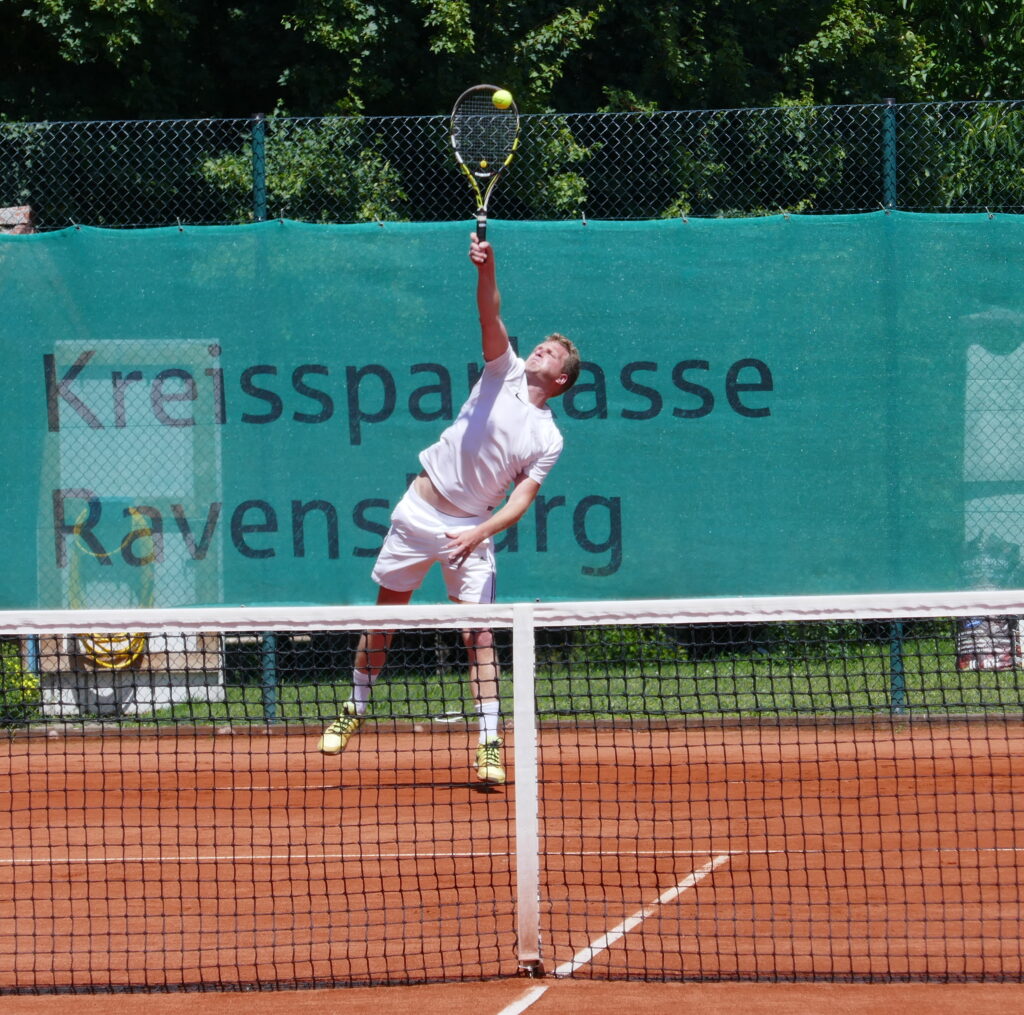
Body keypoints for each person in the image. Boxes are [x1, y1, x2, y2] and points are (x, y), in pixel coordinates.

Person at [317, 233, 581, 784]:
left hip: (472, 529)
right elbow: (491, 314)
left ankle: (489, 744)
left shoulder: (548, 437)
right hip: (419, 511)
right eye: (541, 345)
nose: (540, 351)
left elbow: (521, 502)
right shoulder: (503, 369)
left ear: (559, 381)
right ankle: (355, 707)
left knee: (479, 636)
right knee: (384, 617)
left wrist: (476, 533)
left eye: (551, 355)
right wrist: (486, 268)